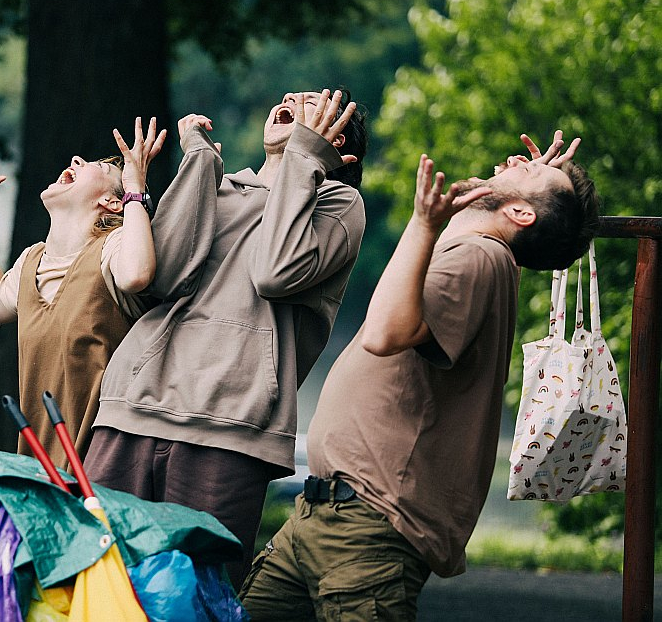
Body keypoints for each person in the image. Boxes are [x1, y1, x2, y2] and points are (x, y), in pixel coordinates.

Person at [239, 132, 600, 621]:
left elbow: (385, 333)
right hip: (322, 516)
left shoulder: (479, 259)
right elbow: (481, 240)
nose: (515, 159)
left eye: (528, 170)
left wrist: (423, 221)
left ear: (519, 215)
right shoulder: (478, 253)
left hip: (370, 525)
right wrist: (536, 185)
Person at [83, 89, 369, 587]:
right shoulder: (218, 186)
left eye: (308, 101)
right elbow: (161, 276)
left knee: (195, 598)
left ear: (333, 137)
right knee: (96, 586)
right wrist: (197, 162)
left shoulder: (340, 205)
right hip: (134, 408)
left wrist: (305, 159)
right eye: (289, 96)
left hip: (231, 427)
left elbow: (276, 271)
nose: (288, 97)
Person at [0, 117, 166, 469]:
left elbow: (137, 274)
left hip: (107, 468)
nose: (76, 160)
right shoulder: (32, 260)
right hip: (42, 466)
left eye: (96, 168)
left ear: (112, 202)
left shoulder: (112, 248)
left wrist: (135, 187)